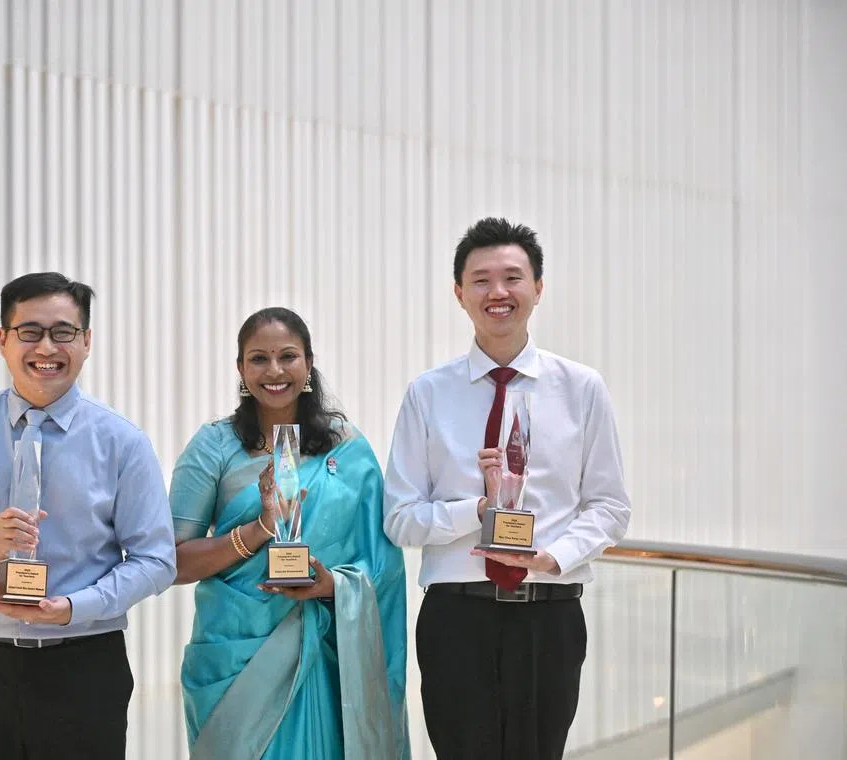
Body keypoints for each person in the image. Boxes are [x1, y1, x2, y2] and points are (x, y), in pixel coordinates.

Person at [0, 272, 176, 760]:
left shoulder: (123, 442)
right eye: (30, 331)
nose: (47, 346)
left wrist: (74, 608)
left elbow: (156, 560)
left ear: (86, 342)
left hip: (86, 664)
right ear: (3, 340)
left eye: (63, 331)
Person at [382, 218, 631, 760]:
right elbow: (399, 517)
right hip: (456, 617)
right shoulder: (428, 394)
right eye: (481, 280)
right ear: (459, 294)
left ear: (538, 288)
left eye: (513, 277)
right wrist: (478, 509)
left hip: (550, 613)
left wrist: (553, 558)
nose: (498, 292)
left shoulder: (582, 388)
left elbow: (610, 506)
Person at [169, 307, 411, 760]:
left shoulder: (347, 446)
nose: (274, 371)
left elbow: (383, 563)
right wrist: (257, 530)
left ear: (309, 364)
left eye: (288, 356)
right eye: (258, 358)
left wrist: (333, 587)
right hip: (238, 652)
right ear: (240, 368)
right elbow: (172, 561)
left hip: (326, 649)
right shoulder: (214, 446)